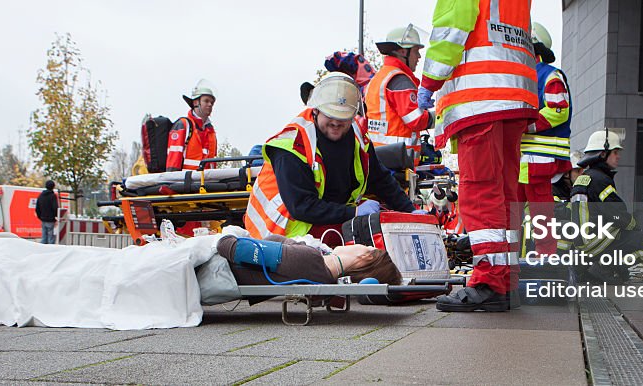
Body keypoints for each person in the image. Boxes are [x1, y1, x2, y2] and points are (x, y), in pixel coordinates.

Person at [417, 0, 538, 312]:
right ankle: (506, 280)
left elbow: (451, 30)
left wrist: (429, 81)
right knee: (505, 191)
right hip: (514, 96)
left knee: (481, 190)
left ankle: (489, 282)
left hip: (481, 96)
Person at [244, 73, 418, 242]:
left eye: (343, 118)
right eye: (330, 115)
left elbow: (380, 179)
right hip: (282, 232)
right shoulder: (292, 145)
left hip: (323, 218)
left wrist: (411, 212)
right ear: (316, 110)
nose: (336, 123)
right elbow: (301, 206)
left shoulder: (358, 136)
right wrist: (354, 213)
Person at [572, 129, 643, 283]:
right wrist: (636, 228)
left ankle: (596, 267)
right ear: (602, 154)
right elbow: (617, 214)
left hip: (582, 243)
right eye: (615, 152)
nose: (618, 156)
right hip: (596, 240)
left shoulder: (584, 178)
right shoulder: (600, 179)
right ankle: (607, 266)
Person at [519, 22, 574, 257]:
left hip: (540, 157)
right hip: (523, 159)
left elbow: (558, 110)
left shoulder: (549, 75)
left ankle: (546, 257)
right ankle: (513, 259)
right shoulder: (524, 75)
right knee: (515, 212)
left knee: (541, 211)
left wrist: (523, 127)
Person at [216, 234, 401, 287]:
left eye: (366, 247)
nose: (358, 244)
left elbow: (226, 245)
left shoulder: (308, 259)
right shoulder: (322, 273)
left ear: (364, 259)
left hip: (211, 270)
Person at [364, 24, 434, 161]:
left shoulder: (380, 77)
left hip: (378, 157)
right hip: (397, 159)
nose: (419, 56)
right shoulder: (400, 79)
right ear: (403, 52)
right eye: (415, 51)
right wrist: (441, 116)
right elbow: (416, 120)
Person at [167, 79, 218, 171]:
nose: (210, 105)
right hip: (186, 182)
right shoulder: (183, 125)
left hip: (207, 182)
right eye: (206, 101)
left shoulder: (211, 131)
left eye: (212, 103)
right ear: (195, 102)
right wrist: (170, 184)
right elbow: (173, 160)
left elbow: (213, 163)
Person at [35, 180, 59, 244]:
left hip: (43, 219)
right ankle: (51, 252)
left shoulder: (41, 196)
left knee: (44, 237)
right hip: (51, 220)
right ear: (53, 187)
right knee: (51, 238)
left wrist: (40, 217)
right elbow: (55, 208)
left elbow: (37, 208)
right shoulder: (53, 196)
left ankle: (43, 251)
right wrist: (56, 216)